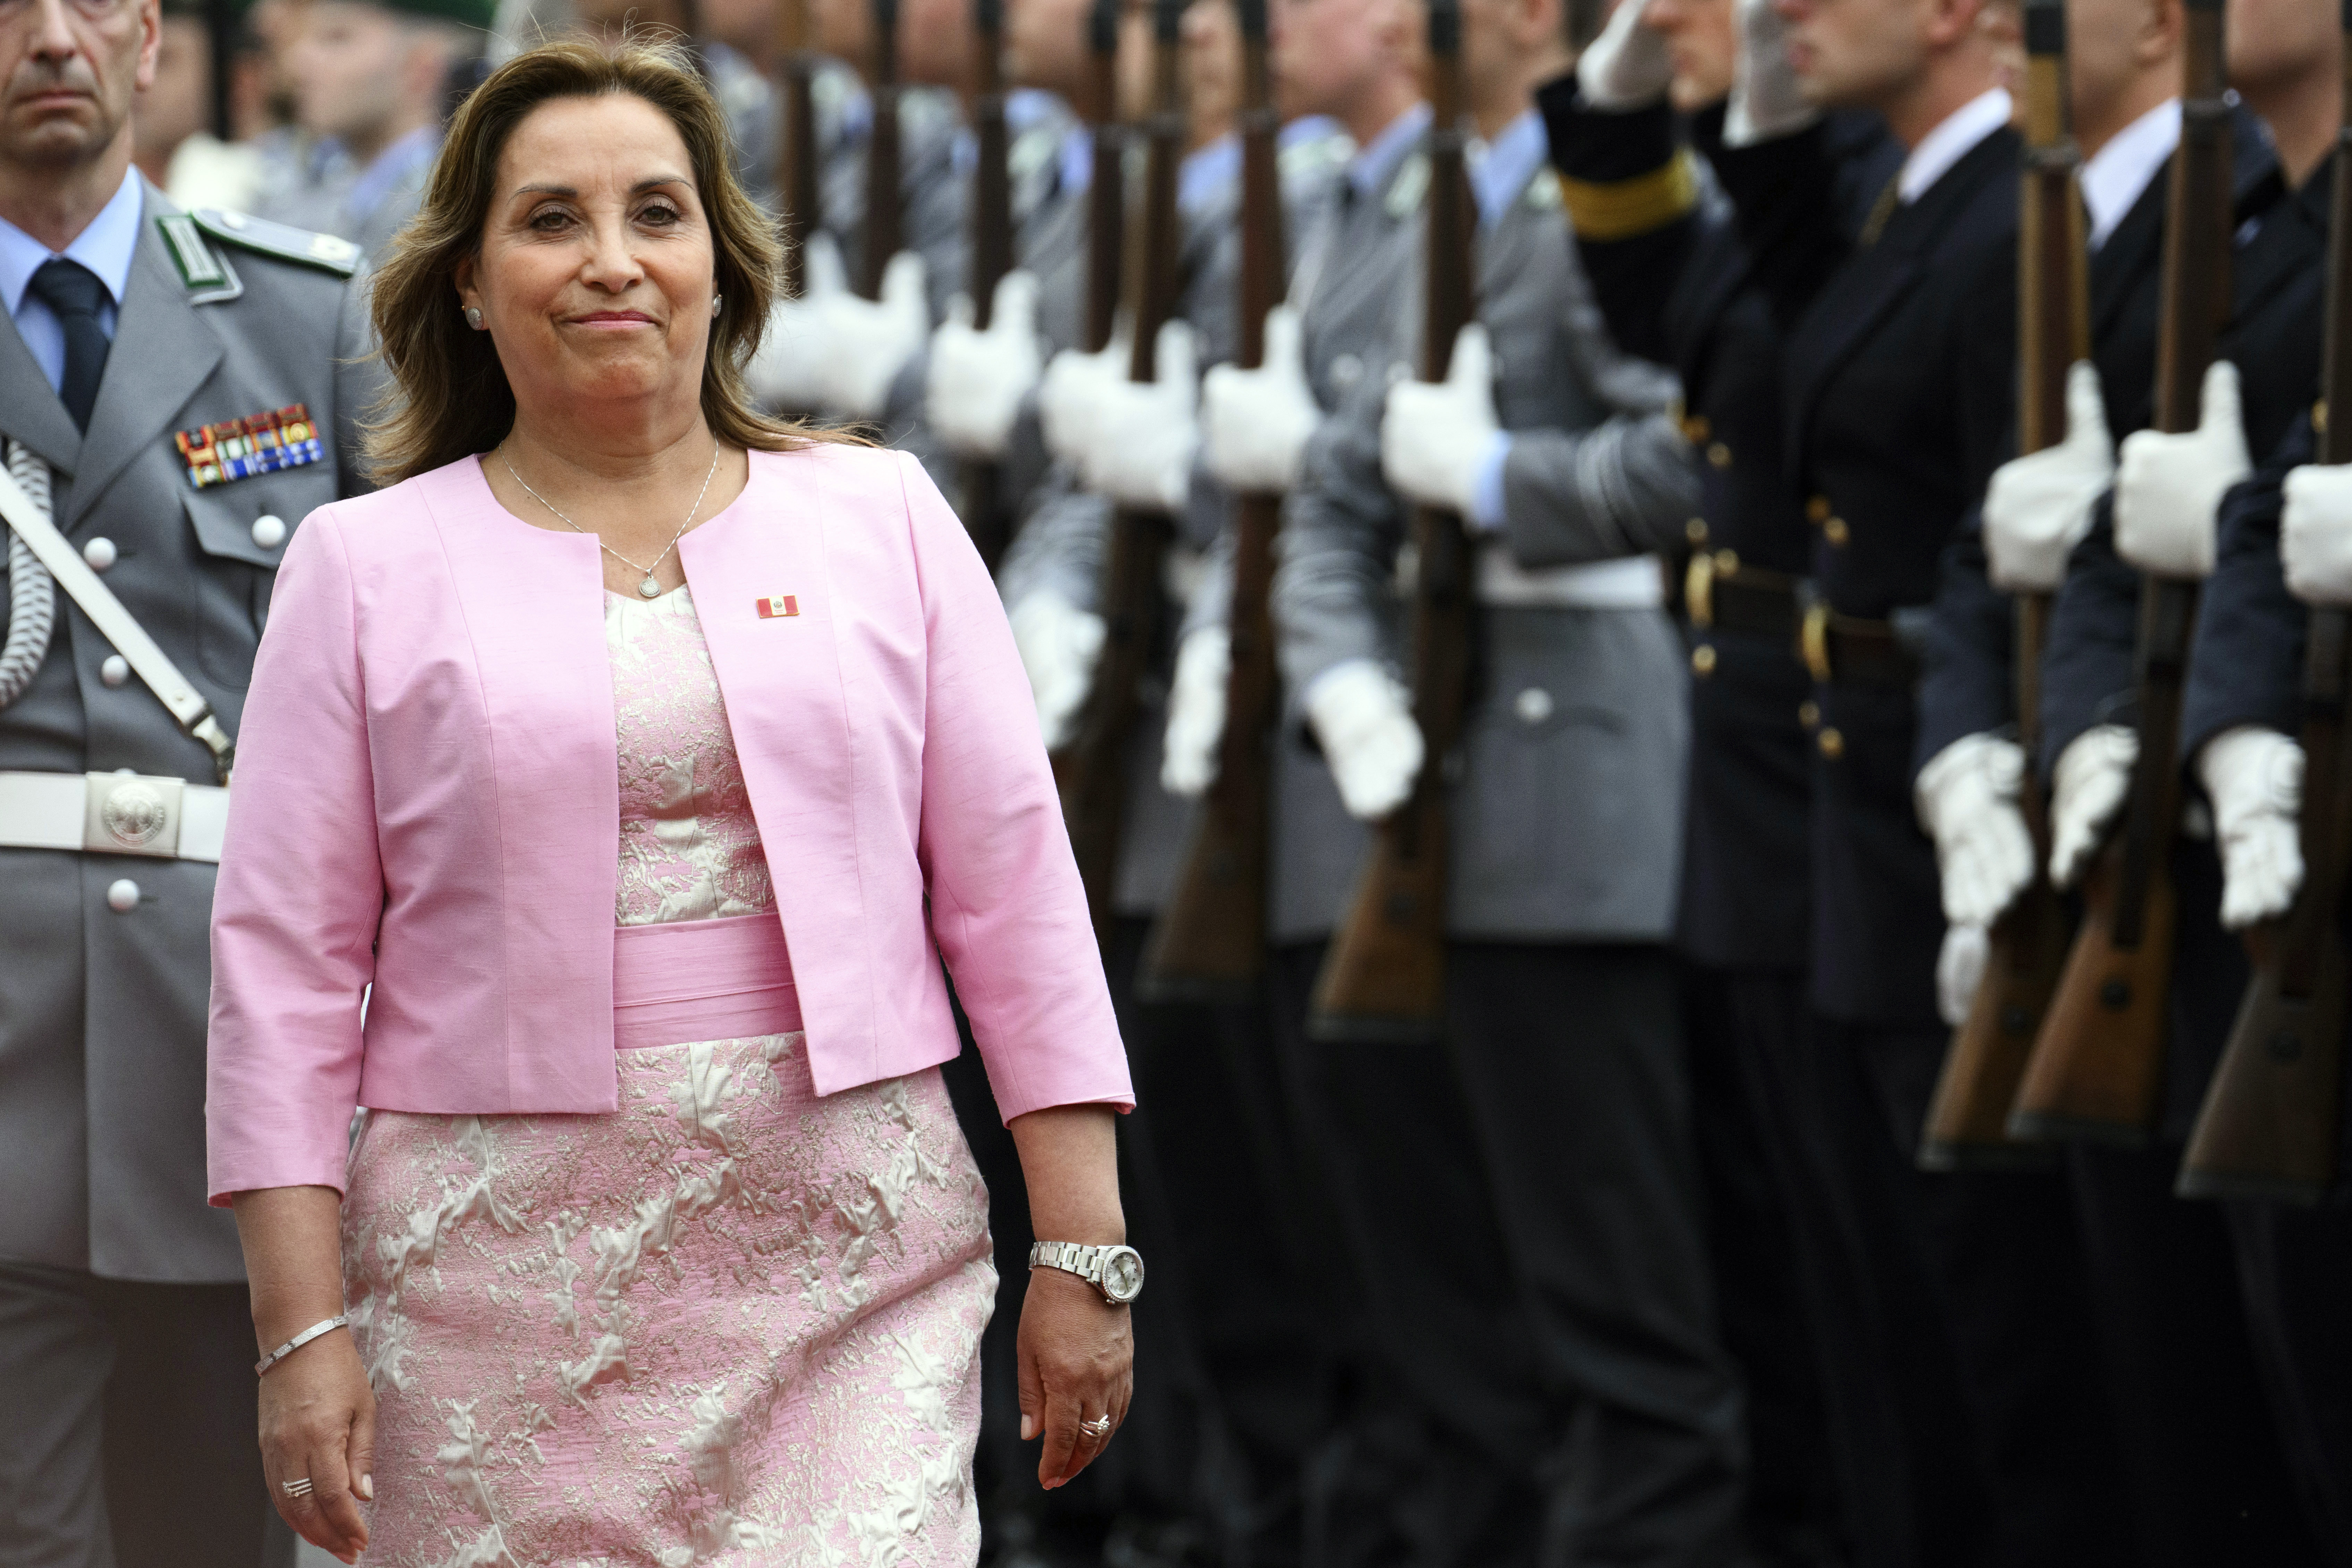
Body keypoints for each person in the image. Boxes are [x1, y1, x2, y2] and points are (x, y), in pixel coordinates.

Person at [202, 37, 1139, 1568]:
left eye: (657, 210)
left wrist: (1084, 1243)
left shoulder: (882, 515)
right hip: (488, 1292)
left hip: (853, 1265)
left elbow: (1011, 892)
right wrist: (297, 1326)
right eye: (551, 219)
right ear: (467, 277)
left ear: (722, 256)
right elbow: (284, 974)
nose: (611, 261)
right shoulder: (363, 569)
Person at [1700, 0, 2138, 1559]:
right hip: (1863, 801)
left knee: (1999, 1335)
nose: (1778, 15)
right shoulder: (1909, 201)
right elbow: (1760, 305)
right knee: (1891, 1316)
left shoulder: (2012, 211)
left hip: (1959, 801)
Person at [1913, 0, 2335, 1557]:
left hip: (2278, 835)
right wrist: (2038, 745)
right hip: (2190, 859)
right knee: (2211, 1388)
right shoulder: (2240, 217)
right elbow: (2084, 528)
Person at [0, 0, 380, 1557]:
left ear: (150, 40)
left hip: (233, 1064)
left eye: (91, 1)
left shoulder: (308, 321)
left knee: (218, 1526)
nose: (46, 37)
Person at [1538, 1, 1902, 1560]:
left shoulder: (1862, 179)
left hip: (1835, 734)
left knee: (1883, 1255)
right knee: (1797, 1238)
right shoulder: (1768, 184)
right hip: (1757, 761)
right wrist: (1612, 100)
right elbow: (1654, 296)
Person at [270, 0, 486, 262]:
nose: (298, 64)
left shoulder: (447, 210)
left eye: (337, 38)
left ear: (420, 66)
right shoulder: (323, 185)